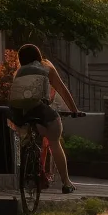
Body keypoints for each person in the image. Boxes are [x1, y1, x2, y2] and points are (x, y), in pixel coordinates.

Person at [7, 43, 80, 193]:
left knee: (27, 138)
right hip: (41, 112)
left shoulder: (18, 72)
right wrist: (74, 110)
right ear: (38, 56)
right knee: (54, 142)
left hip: (19, 114)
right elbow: (62, 90)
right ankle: (66, 183)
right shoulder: (46, 67)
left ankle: (29, 167)